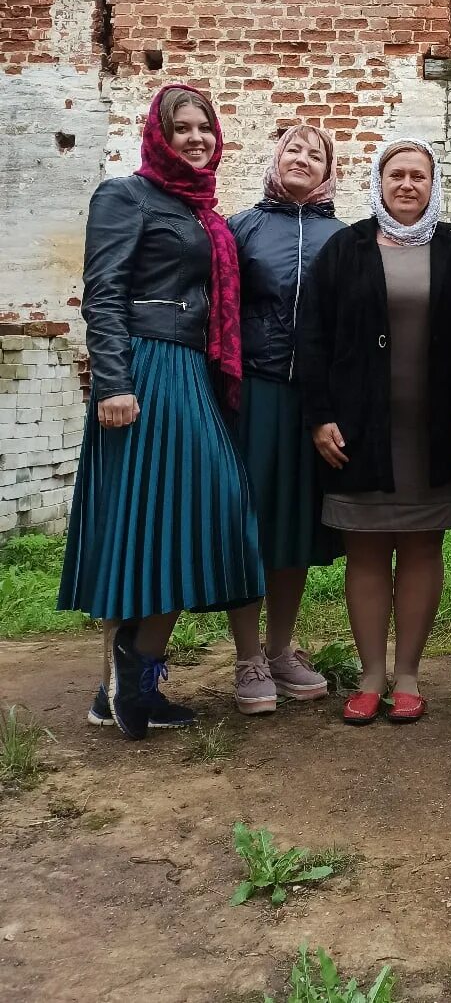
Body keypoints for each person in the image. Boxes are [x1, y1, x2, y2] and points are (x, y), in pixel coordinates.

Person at [58, 84, 263, 739]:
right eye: (183, 128)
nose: (197, 138)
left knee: (187, 519)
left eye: (205, 127)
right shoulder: (125, 196)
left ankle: (127, 681)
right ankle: (131, 668)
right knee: (176, 516)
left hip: (189, 371)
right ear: (159, 135)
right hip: (144, 372)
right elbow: (104, 291)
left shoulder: (202, 210)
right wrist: (114, 380)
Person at [296, 138, 451, 724]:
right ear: (378, 183)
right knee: (366, 552)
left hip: (431, 434)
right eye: (395, 174)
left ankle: (408, 675)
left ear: (433, 184)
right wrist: (320, 415)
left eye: (418, 176)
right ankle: (371, 674)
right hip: (359, 431)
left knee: (424, 546)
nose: (406, 184)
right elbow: (312, 336)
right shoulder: (344, 249)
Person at [224, 124, 345, 715]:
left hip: (311, 402)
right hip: (255, 392)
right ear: (276, 160)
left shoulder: (343, 238)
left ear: (329, 172)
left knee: (294, 524)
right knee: (251, 521)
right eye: (293, 150)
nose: (303, 159)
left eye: (315, 154)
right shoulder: (242, 227)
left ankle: (280, 648)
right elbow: (219, 310)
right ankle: (246, 656)